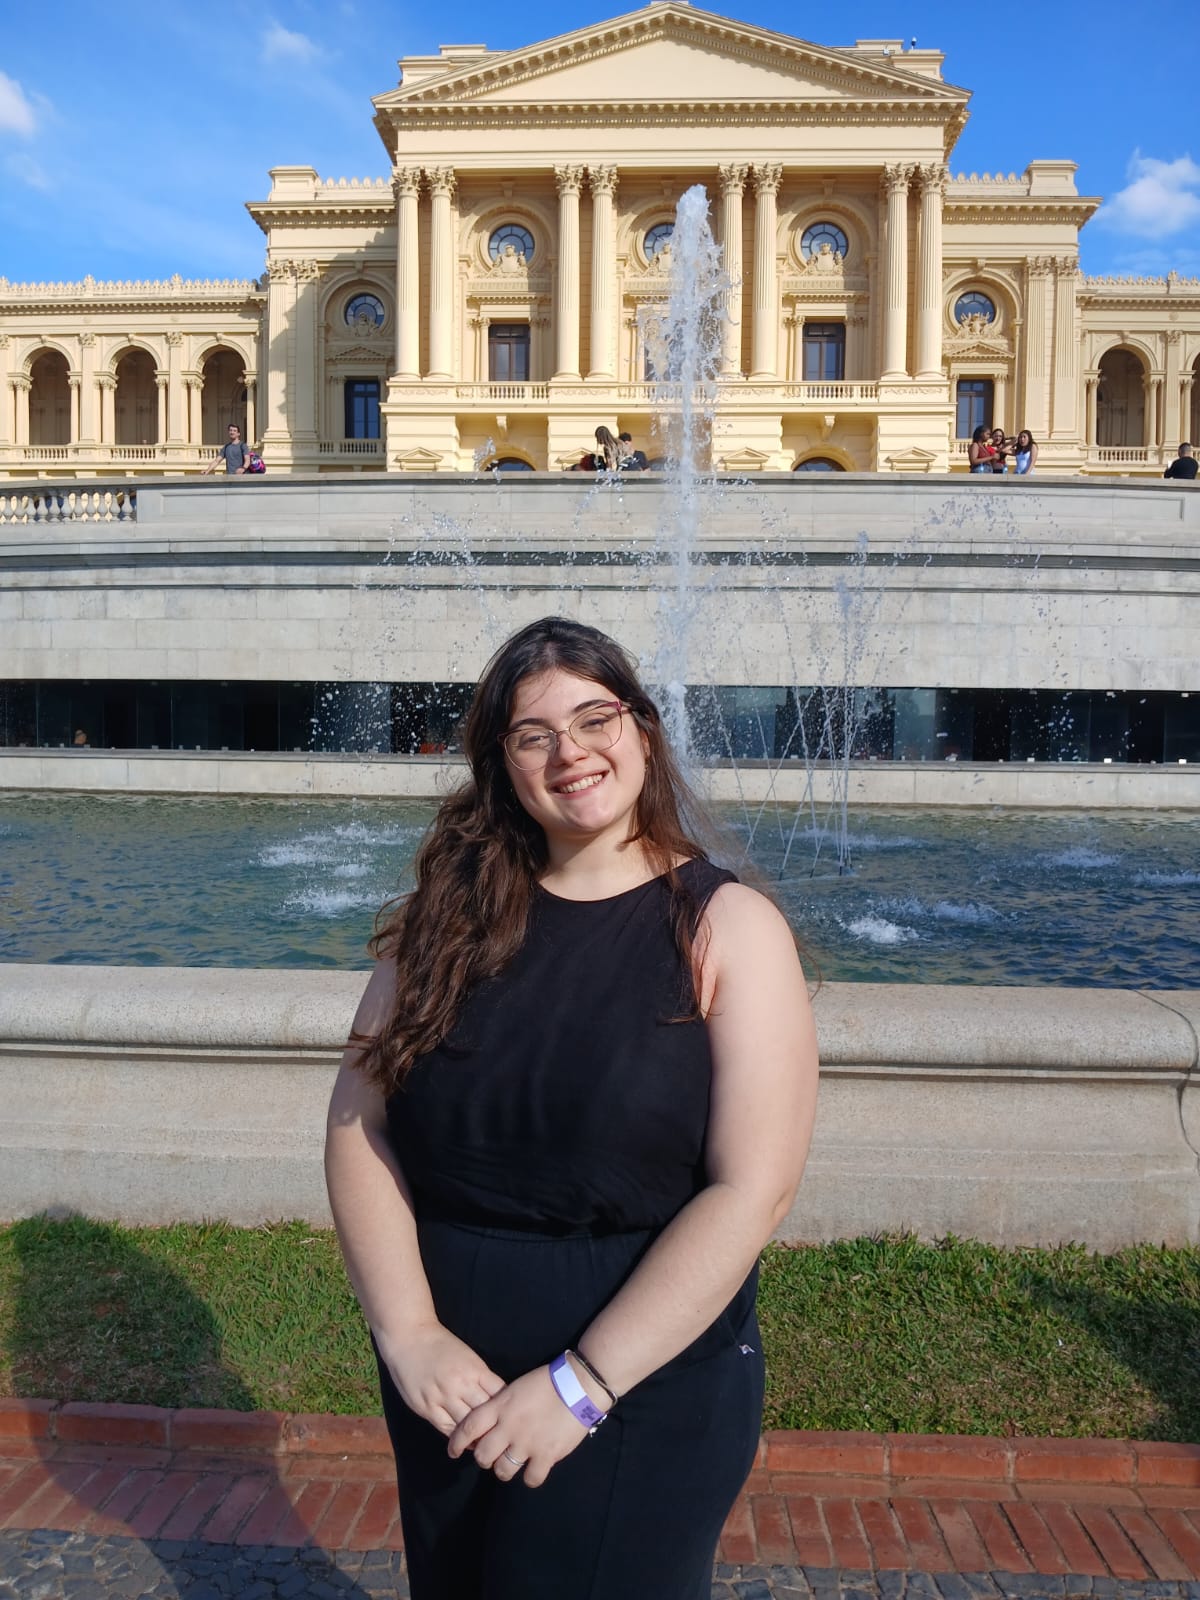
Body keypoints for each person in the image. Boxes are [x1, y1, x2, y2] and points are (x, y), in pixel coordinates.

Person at [325, 617, 819, 1600]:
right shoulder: (441, 923)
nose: (571, 752)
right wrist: (409, 1332)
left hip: (638, 1380)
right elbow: (359, 1129)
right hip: (446, 1378)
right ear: (501, 763)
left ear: (641, 729)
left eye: (596, 717)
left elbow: (751, 1190)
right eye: (534, 733)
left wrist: (580, 1384)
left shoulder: (728, 928)